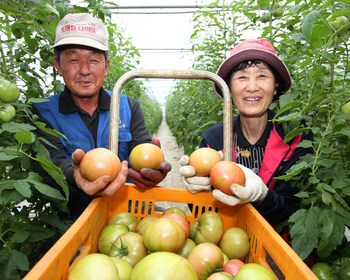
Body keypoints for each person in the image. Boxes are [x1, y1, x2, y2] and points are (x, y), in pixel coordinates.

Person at [31, 13, 171, 222]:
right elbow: (49, 164)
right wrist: (76, 177)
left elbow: (141, 152)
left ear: (105, 67)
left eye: (94, 60)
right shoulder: (41, 112)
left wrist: (147, 172)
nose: (85, 70)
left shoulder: (128, 107)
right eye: (74, 60)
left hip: (127, 210)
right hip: (73, 219)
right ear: (58, 66)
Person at [179, 38, 313, 227]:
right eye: (242, 77)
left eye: (262, 76)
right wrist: (198, 190)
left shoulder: (297, 137)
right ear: (229, 89)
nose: (252, 87)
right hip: (226, 242)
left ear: (276, 87)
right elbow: (202, 213)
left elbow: (297, 209)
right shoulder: (213, 141)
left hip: (279, 247)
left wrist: (262, 196)